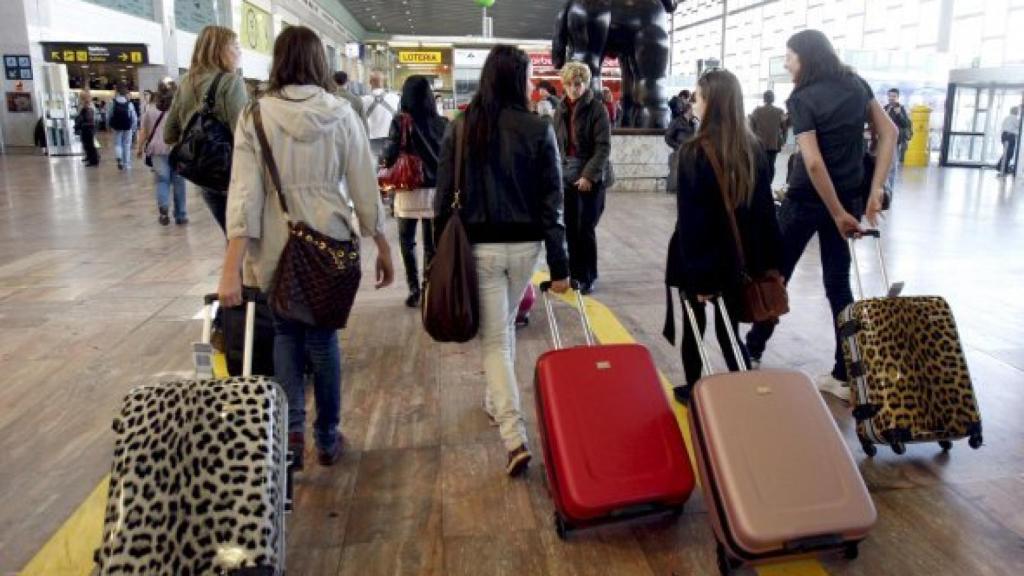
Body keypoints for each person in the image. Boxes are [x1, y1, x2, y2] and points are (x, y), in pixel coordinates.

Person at [218, 25, 394, 470]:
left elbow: (244, 195)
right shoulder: (341, 114)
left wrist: (231, 267)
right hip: (329, 243)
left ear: (278, 61)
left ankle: (291, 433)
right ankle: (327, 435)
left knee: (285, 335)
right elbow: (363, 186)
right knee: (323, 340)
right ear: (318, 61)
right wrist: (381, 242)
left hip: (275, 245)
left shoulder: (254, 117)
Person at [434, 45, 569, 477]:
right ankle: (496, 401)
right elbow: (553, 201)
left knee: (494, 338)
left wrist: (438, 254)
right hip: (525, 248)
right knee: (503, 327)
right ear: (517, 79)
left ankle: (513, 436)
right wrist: (561, 263)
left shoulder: (462, 128)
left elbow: (441, 200)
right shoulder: (538, 128)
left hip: (479, 247)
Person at [744, 30, 897, 402]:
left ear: (806, 58)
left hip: (804, 202)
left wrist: (838, 212)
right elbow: (889, 133)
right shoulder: (857, 84)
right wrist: (872, 191)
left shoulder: (802, 98)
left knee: (776, 275)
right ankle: (844, 373)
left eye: (790, 57)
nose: (786, 63)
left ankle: (753, 347)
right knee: (837, 284)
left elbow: (812, 163)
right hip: (844, 199)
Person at [665, 69, 782, 403]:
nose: (694, 104)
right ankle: (743, 384)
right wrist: (772, 264)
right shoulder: (753, 149)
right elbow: (764, 213)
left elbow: (692, 221)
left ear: (712, 102)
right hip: (739, 259)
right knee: (728, 324)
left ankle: (695, 389)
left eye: (699, 98)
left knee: (695, 325)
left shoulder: (693, 152)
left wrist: (700, 278)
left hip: (699, 259)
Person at [164, 25, 248, 234]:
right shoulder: (231, 82)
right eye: (235, 46)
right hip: (234, 175)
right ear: (220, 50)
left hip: (206, 177)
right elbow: (244, 135)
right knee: (246, 245)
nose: (240, 52)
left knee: (232, 239)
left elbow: (169, 134)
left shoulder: (185, 81)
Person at [381, 75, 449, 307]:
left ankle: (413, 291)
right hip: (434, 192)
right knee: (432, 245)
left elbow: (389, 155)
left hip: (408, 189)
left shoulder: (401, 121)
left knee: (407, 243)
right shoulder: (442, 123)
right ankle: (428, 287)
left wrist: (385, 161)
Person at [553, 61, 612, 295]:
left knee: (585, 228)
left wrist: (588, 175)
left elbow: (603, 147)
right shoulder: (560, 108)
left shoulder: (597, 109)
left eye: (577, 84)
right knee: (569, 228)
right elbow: (558, 146)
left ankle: (588, 276)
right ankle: (574, 273)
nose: (572, 89)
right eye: (568, 84)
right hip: (565, 174)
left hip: (591, 175)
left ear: (585, 83)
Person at [138, 82, 187, 225]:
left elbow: (144, 131)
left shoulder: (150, 111)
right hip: (177, 149)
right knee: (179, 182)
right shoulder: (179, 110)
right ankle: (181, 214)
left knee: (162, 180)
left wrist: (139, 148)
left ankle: (164, 209)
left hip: (156, 149)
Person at [749, 90, 788, 185]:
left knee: (758, 165)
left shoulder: (757, 111)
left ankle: (759, 185)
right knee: (771, 165)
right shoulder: (779, 111)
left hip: (758, 144)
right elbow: (784, 128)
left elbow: (751, 127)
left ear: (764, 99)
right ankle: (768, 184)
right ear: (773, 99)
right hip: (773, 144)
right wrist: (783, 141)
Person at [362, 69, 401, 158]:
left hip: (370, 141)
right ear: (383, 82)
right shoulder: (396, 98)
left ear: (370, 82)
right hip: (390, 140)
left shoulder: (363, 100)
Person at [665, 99, 697, 194]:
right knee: (675, 172)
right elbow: (668, 137)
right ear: (688, 110)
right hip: (679, 150)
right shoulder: (676, 121)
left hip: (690, 151)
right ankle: (673, 190)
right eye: (693, 109)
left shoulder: (693, 122)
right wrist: (678, 146)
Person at [109, 84, 138, 171]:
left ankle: (119, 160)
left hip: (116, 127)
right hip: (127, 127)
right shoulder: (129, 104)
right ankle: (127, 164)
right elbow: (134, 118)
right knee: (127, 145)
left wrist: (110, 126)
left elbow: (109, 115)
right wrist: (133, 128)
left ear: (117, 92)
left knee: (118, 144)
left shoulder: (112, 103)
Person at [885, 88, 912, 164]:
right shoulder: (885, 108)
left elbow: (906, 124)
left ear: (897, 97)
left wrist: (899, 114)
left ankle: (892, 176)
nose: (891, 98)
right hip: (885, 138)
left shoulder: (901, 108)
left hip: (895, 139)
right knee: (885, 160)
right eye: (890, 96)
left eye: (894, 96)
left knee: (893, 162)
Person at [77, 92, 100, 167]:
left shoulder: (88, 107)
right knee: (89, 144)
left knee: (90, 144)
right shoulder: (88, 107)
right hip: (89, 128)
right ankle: (92, 158)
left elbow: (88, 118)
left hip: (87, 128)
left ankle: (93, 160)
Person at [997, 106, 1019, 178]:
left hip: (1004, 135)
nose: (1018, 112)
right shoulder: (1014, 118)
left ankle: (1003, 168)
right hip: (1010, 136)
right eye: (1017, 110)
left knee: (1007, 152)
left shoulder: (1007, 118)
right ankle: (1001, 167)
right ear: (1015, 111)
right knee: (1009, 153)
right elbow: (1019, 126)